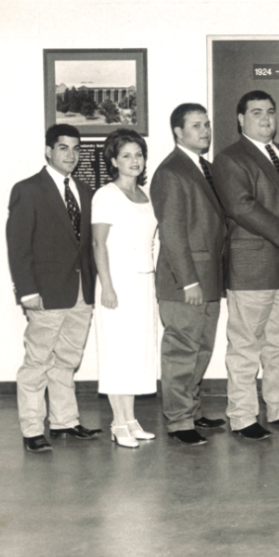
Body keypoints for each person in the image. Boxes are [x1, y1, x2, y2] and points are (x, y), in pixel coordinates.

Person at [212, 91, 279, 440]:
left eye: (270, 112)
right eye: (256, 113)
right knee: (245, 347)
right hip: (252, 268)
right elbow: (241, 207)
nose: (265, 118)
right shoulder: (229, 159)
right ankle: (242, 417)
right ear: (241, 119)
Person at [6, 124, 102, 453]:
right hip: (45, 291)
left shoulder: (86, 191)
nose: (71, 155)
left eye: (76, 149)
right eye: (64, 148)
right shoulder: (28, 189)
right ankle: (33, 428)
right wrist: (26, 290)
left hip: (80, 291)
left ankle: (64, 421)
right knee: (38, 362)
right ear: (49, 151)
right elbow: (18, 246)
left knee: (66, 361)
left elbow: (87, 246)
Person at [150, 104, 228, 446]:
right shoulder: (171, 171)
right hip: (186, 282)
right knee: (181, 352)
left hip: (209, 278)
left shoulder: (204, 168)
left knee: (201, 350)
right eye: (196, 125)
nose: (205, 131)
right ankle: (179, 422)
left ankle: (192, 410)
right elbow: (172, 232)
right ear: (178, 132)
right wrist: (189, 281)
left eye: (207, 124)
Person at [92, 129, 159, 448]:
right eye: (127, 156)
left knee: (135, 353)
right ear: (114, 161)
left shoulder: (145, 195)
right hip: (116, 283)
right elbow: (98, 244)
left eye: (138, 154)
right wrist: (107, 286)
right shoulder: (106, 194)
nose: (134, 161)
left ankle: (131, 420)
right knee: (118, 353)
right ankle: (118, 424)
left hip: (143, 281)